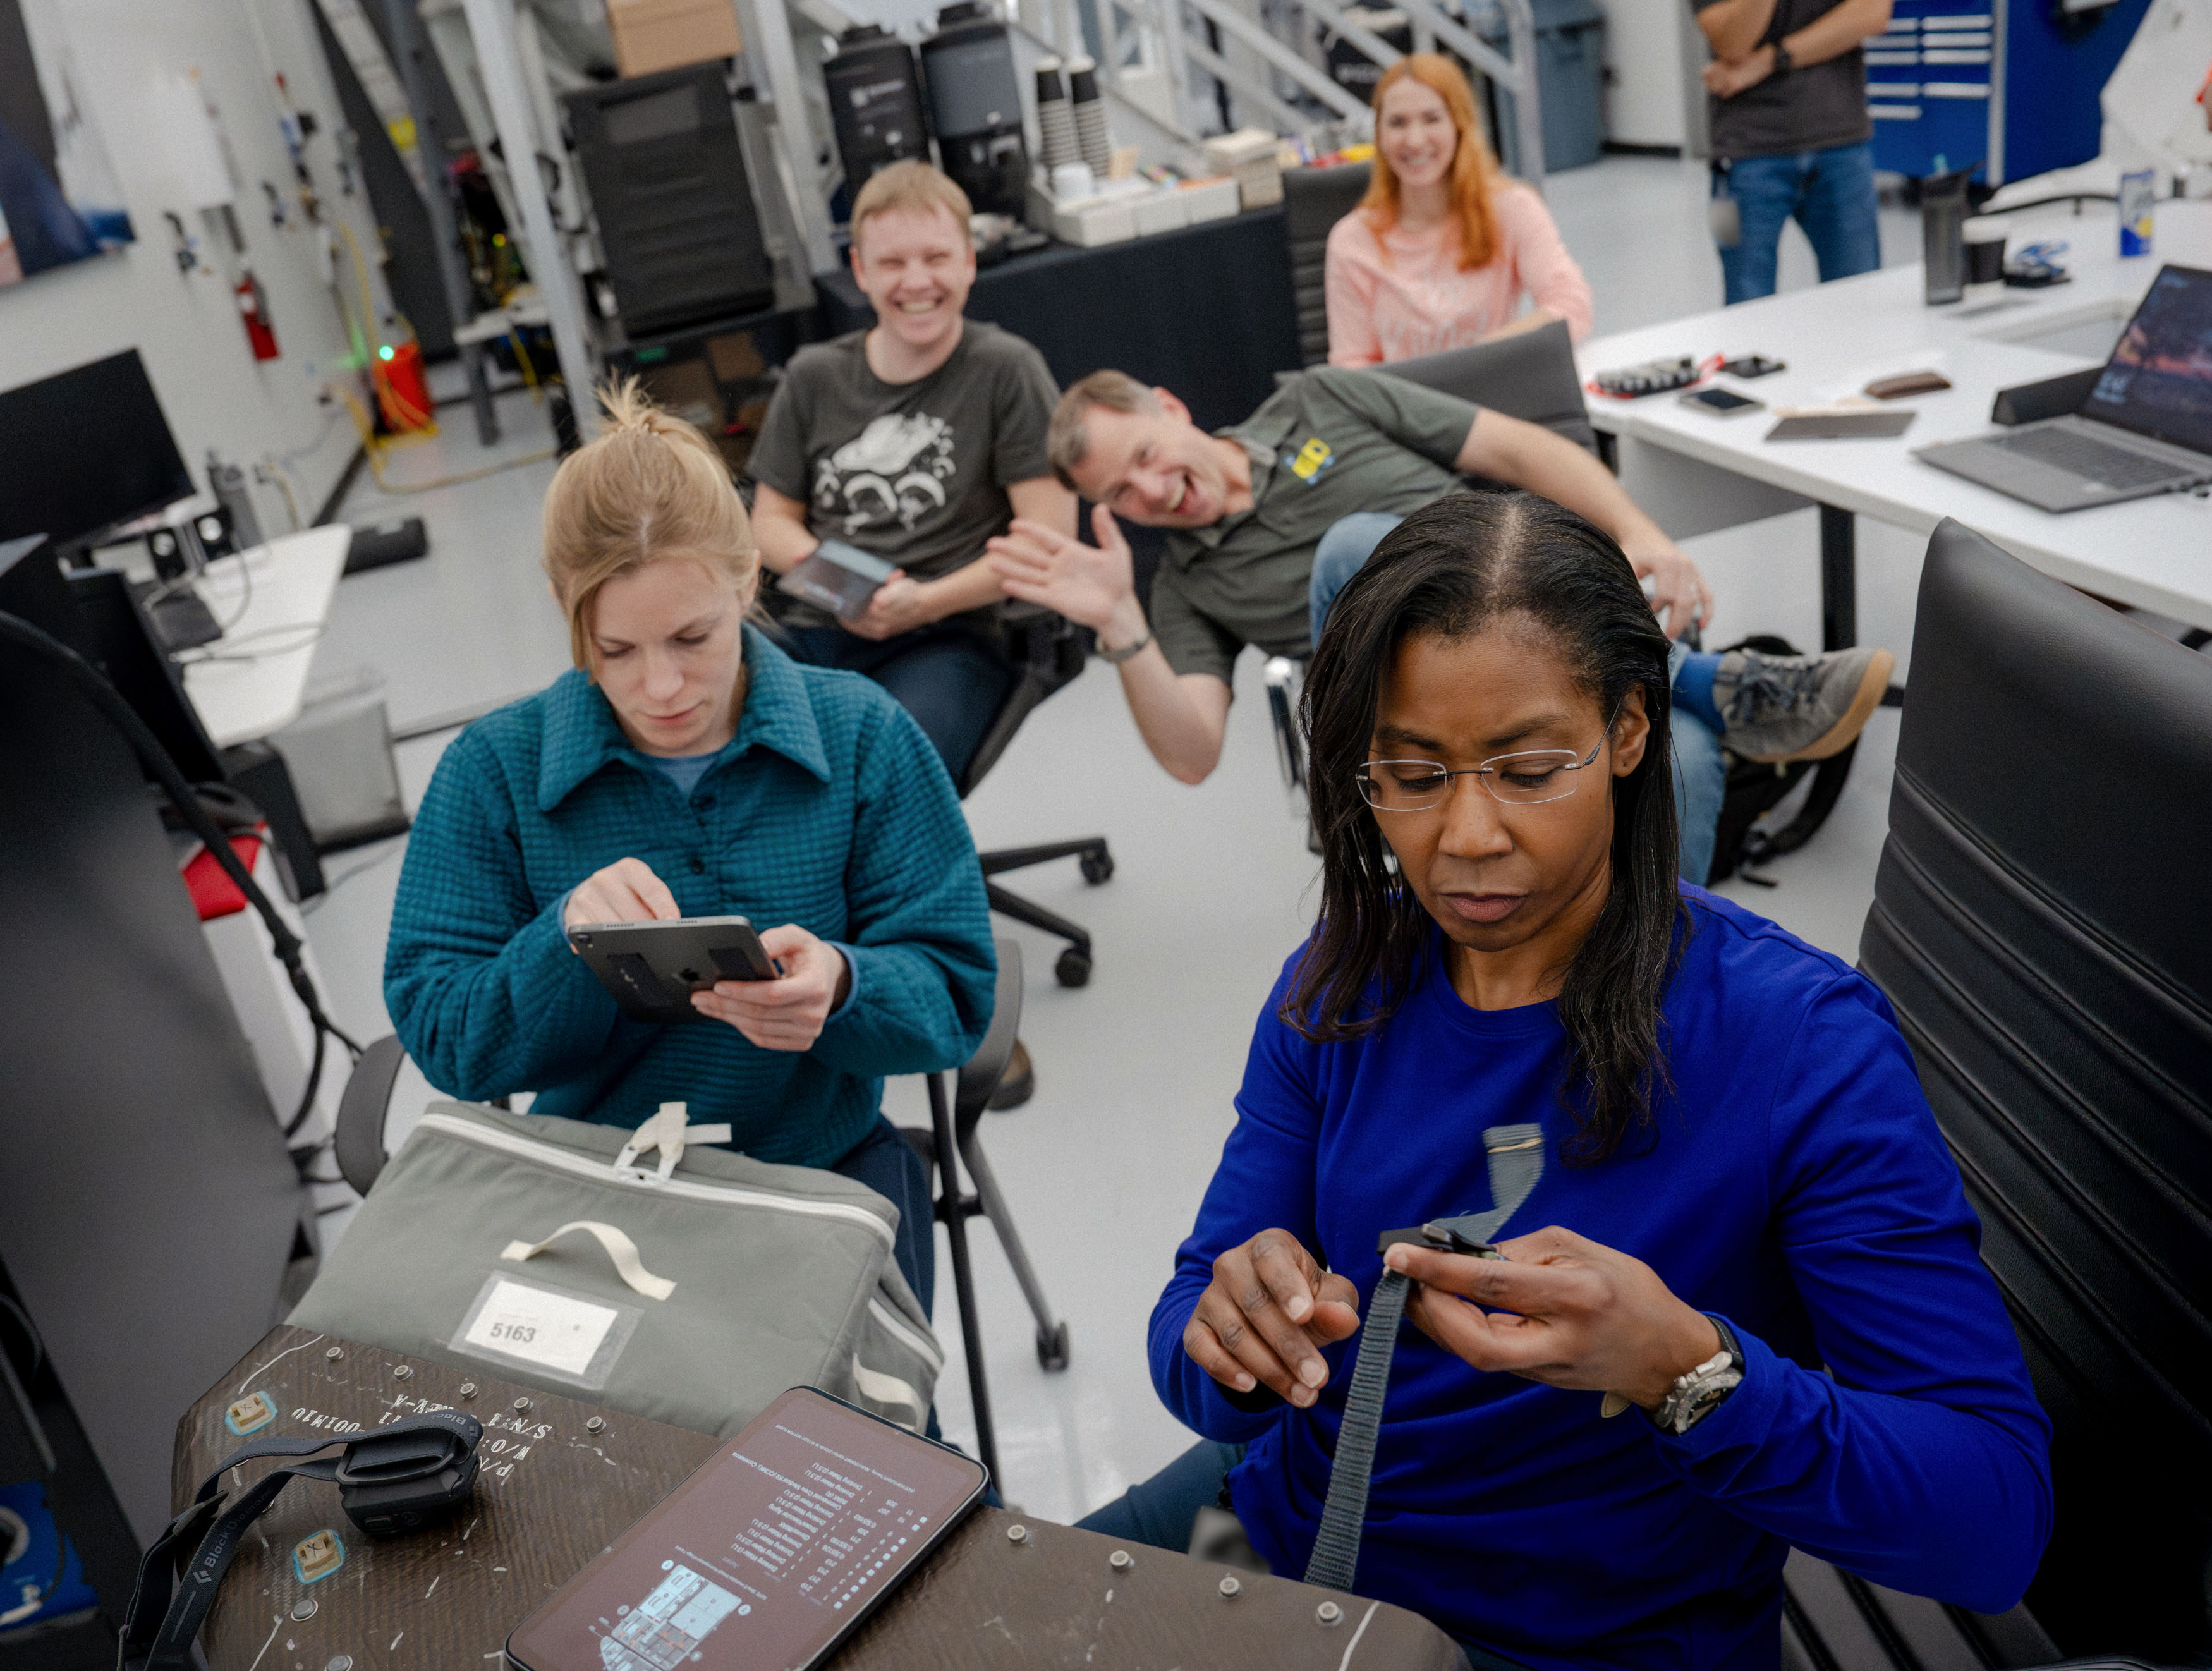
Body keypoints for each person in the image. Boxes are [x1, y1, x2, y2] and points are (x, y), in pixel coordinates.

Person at [1079, 494, 2051, 1670]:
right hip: (1286, 1532)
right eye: (1412, 773)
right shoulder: (1344, 977)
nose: (1467, 834)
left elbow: (1992, 1521)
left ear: (1630, 729)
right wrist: (1233, 1339)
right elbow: (1193, 1328)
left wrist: (1686, 1370)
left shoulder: (1798, 1043)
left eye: (1529, 767)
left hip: (1575, 1636)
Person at [384, 381, 997, 1314]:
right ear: (563, 606)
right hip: (595, 1195)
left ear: (747, 578)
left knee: (852, 1455)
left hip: (819, 1173)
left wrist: (842, 985)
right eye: (616, 649)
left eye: (694, 636)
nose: (661, 685)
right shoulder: (494, 774)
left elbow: (955, 994)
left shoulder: (862, 736)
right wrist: (563, 945)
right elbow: (446, 1040)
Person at [987, 367, 1893, 885]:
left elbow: (1515, 450)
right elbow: (1190, 755)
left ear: (1170, 408)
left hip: (1553, 634)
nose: (1147, 491)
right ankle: (1708, 677)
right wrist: (1118, 622)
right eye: (1120, 496)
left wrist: (1641, 531)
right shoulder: (1186, 588)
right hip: (1426, 718)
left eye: (1143, 456)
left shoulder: (1317, 401)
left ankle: (1663, 991)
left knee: (1682, 755)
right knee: (1355, 548)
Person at [749, 161, 1078, 782]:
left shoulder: (1006, 371)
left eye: (936, 257)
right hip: (821, 624)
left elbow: (1047, 544)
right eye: (893, 263)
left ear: (969, 262)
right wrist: (845, 589)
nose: (917, 281)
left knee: (888, 772)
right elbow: (769, 522)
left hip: (951, 638)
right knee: (720, 723)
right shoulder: (814, 376)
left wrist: (921, 604)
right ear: (860, 272)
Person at [1325, 54, 1593, 366]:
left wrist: (1479, 359)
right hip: (1410, 412)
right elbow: (1352, 365)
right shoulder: (1352, 240)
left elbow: (1571, 305)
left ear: (1460, 125)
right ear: (1380, 137)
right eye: (1398, 123)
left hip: (1496, 393)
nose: (1414, 140)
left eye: (1432, 119)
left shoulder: (1512, 208)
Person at [1696, 0, 1892, 305]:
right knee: (1743, 305)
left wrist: (1769, 61)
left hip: (1842, 146)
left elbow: (1874, 15)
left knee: (1861, 302)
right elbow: (1732, 45)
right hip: (1739, 159)